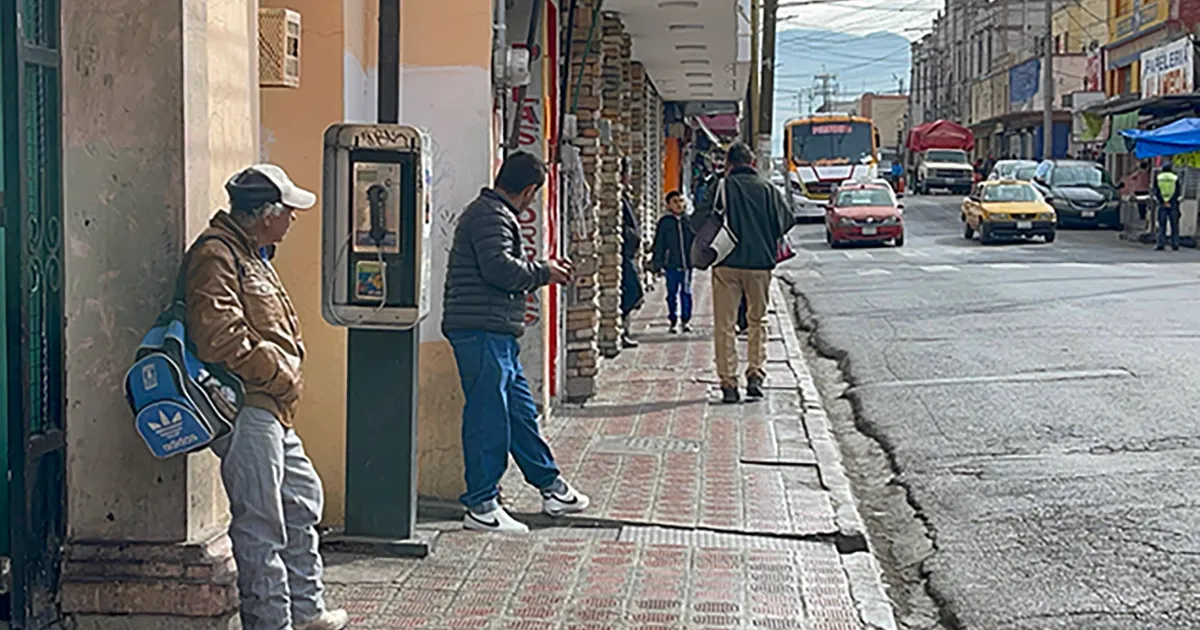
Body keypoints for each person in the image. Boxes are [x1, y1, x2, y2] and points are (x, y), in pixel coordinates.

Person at [186, 165, 348, 630]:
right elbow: (218, 336)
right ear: (267, 214)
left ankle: (306, 608)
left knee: (301, 499)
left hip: (273, 406)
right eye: (289, 211)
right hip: (248, 404)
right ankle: (270, 621)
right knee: (261, 521)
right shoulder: (217, 255)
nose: (294, 219)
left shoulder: (252, 253)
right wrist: (280, 374)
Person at [442, 151, 589, 533]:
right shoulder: (490, 216)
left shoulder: (493, 214)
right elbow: (499, 269)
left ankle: (550, 485)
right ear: (528, 190)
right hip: (480, 330)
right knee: (488, 417)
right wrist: (545, 271)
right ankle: (481, 504)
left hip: (498, 332)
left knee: (520, 414)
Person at [693, 142, 794, 404]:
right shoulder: (768, 189)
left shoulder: (721, 187)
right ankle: (756, 374)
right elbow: (786, 220)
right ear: (752, 163)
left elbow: (698, 220)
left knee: (725, 324)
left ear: (729, 163)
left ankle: (728, 382)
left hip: (726, 263)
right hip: (760, 264)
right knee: (757, 320)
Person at [650, 190, 695, 333]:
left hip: (687, 264)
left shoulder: (689, 221)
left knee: (686, 292)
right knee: (671, 293)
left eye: (681, 201)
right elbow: (660, 244)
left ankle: (686, 320)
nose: (679, 204)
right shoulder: (665, 223)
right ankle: (673, 320)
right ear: (668, 205)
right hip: (671, 264)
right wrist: (658, 262)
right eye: (675, 201)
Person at [620, 158, 644, 348]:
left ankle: (623, 329)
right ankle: (620, 328)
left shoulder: (624, 195)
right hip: (622, 254)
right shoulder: (616, 197)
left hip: (627, 253)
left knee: (631, 291)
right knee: (633, 291)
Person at [1154, 162, 1181, 251]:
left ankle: (1161, 244)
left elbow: (1156, 191)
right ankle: (1175, 244)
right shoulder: (1175, 178)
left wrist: (1163, 201)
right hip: (1173, 204)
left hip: (1162, 204)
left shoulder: (1158, 178)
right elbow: (1178, 191)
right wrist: (1171, 201)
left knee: (1162, 225)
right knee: (1174, 225)